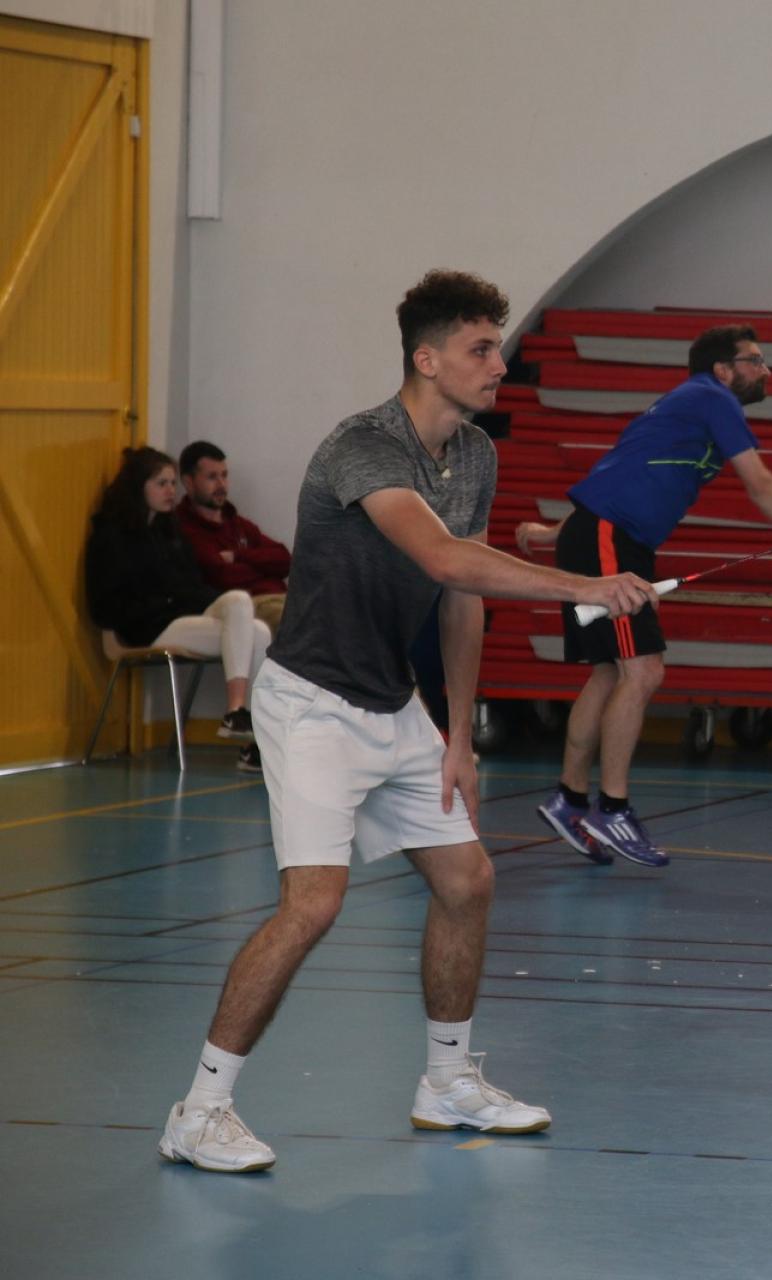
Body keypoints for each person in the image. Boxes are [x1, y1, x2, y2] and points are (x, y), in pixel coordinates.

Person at [155, 270, 654, 1174]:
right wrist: (585, 584)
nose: (499, 364)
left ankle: (447, 1082)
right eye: (481, 349)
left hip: (397, 705)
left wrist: (458, 736)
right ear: (426, 359)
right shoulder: (365, 447)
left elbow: (462, 597)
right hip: (312, 704)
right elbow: (441, 555)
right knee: (314, 905)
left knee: (468, 881)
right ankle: (200, 1110)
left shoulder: (477, 455)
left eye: (497, 346)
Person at [524, 323, 772, 868]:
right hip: (611, 538)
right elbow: (759, 482)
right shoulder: (711, 397)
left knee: (609, 672)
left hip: (603, 534)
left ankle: (570, 799)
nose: (766, 370)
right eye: (755, 360)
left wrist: (556, 533)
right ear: (723, 370)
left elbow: (621, 471)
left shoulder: (683, 405)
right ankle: (611, 810)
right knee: (643, 671)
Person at [84, 447, 268, 771]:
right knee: (244, 615)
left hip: (180, 618)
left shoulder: (170, 533)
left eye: (172, 483)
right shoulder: (111, 536)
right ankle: (240, 717)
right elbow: (106, 604)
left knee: (256, 625)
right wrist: (168, 602)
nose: (171, 491)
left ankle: (250, 733)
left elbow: (190, 586)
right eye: (161, 483)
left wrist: (187, 601)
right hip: (147, 628)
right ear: (139, 487)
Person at [174, 441, 293, 633]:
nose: (222, 484)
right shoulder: (184, 528)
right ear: (188, 482)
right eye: (212, 477)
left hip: (281, 598)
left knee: (332, 610)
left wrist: (238, 556)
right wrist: (266, 569)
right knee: (302, 625)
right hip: (245, 607)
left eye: (224, 475)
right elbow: (222, 577)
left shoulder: (237, 523)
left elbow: (285, 560)